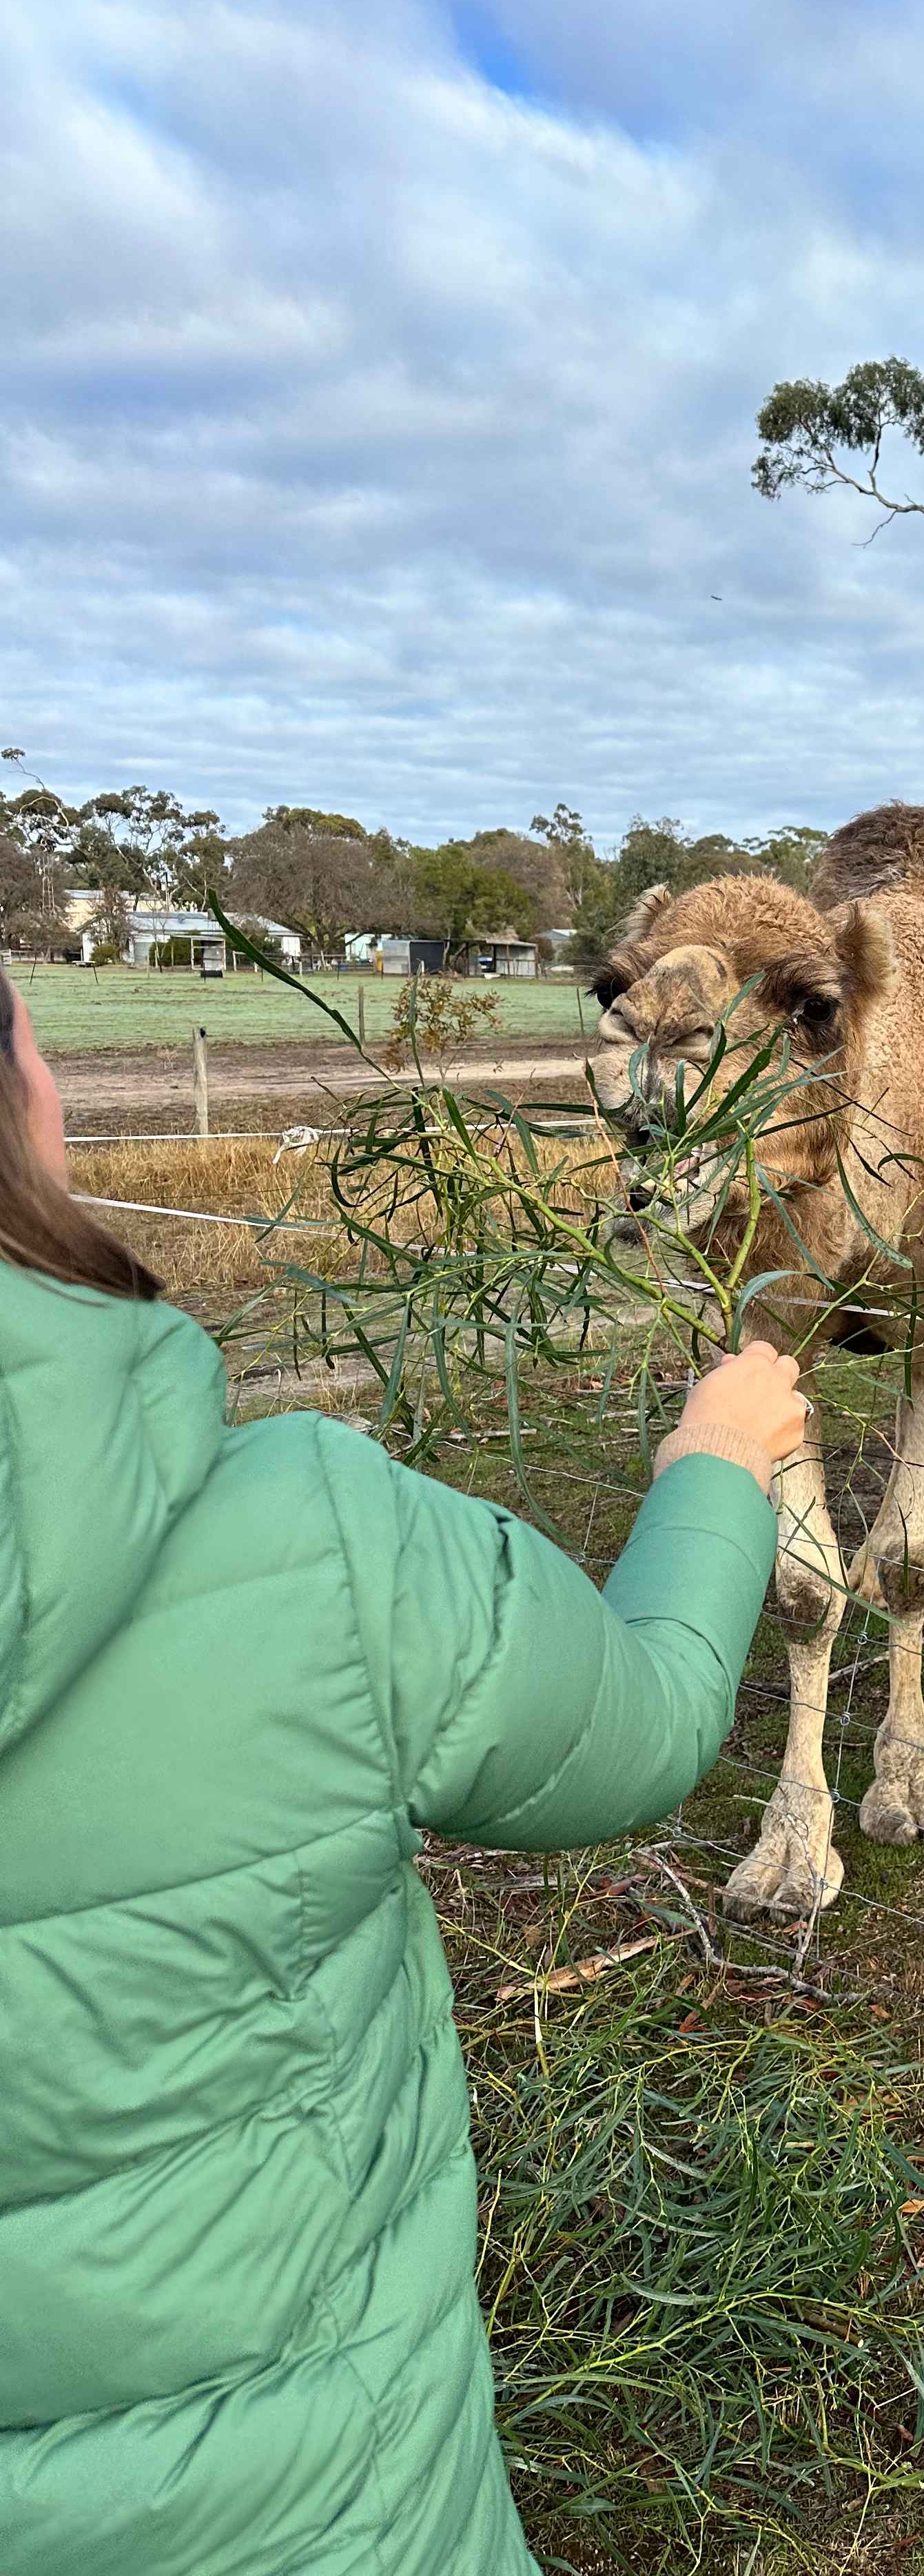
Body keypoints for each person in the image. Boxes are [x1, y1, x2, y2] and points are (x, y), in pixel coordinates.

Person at [0, 970, 808, 2576]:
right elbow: (637, 1726)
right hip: (332, 2520)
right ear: (24, 1090)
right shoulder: (305, 1540)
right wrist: (717, 1470)